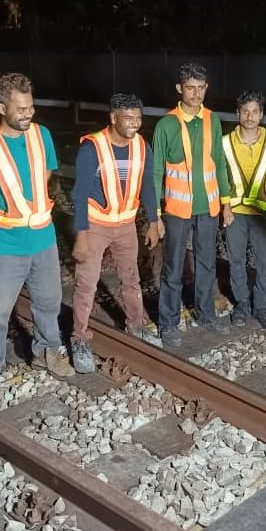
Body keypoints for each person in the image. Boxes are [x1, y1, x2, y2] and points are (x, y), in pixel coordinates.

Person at [0, 72, 74, 407]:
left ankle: (47, 351)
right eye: (21, 109)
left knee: (49, 302)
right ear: (1, 108)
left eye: (31, 107)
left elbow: (46, 172)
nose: (28, 114)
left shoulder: (42, 135)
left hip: (43, 238)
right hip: (4, 243)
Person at [70, 93, 161, 371]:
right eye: (128, 118)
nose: (135, 123)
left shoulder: (142, 147)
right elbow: (79, 194)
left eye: (138, 118)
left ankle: (136, 325)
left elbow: (147, 186)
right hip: (96, 225)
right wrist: (81, 234)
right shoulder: (92, 148)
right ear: (113, 118)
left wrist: (154, 220)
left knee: (131, 278)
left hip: (126, 226)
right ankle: (79, 338)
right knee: (86, 283)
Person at [153, 62, 233, 348]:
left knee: (206, 263)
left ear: (206, 88)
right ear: (180, 89)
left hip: (208, 208)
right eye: (190, 88)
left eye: (201, 88)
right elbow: (156, 171)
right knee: (173, 267)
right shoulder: (166, 125)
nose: (196, 94)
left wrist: (226, 202)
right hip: (177, 210)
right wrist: (155, 214)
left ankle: (206, 314)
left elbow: (219, 162)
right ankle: (168, 322)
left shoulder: (213, 120)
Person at [222, 90, 266, 329]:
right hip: (234, 212)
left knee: (264, 261)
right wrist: (225, 206)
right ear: (238, 114)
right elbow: (221, 176)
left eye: (254, 111)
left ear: (261, 114)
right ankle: (242, 304)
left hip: (262, 213)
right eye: (245, 111)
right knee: (236, 260)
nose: (249, 116)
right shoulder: (225, 142)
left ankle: (262, 307)